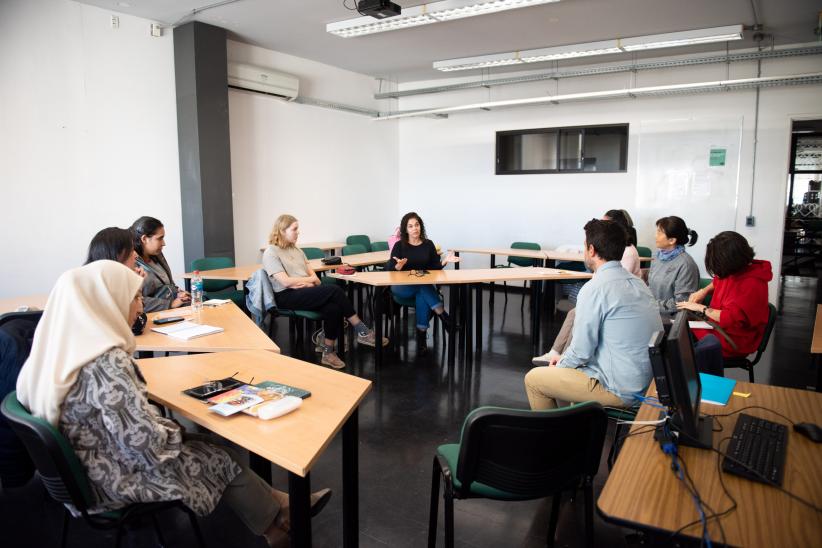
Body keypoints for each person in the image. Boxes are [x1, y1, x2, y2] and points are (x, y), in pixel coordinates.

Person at [14, 261, 330, 547]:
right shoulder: (106, 364)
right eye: (135, 298)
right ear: (108, 304)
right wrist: (178, 425)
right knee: (219, 455)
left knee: (209, 444)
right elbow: (149, 447)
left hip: (82, 469)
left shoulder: (52, 356)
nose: (141, 307)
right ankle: (279, 524)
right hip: (110, 478)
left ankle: (280, 513)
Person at [524, 219, 662, 409]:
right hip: (646, 382)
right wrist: (564, 361)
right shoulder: (638, 283)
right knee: (564, 370)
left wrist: (561, 364)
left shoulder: (595, 288)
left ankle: (552, 438)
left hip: (621, 390)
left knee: (535, 380)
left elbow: (581, 351)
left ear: (591, 250)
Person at [263, 214, 385, 370]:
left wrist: (304, 283)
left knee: (333, 308)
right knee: (334, 290)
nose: (298, 232)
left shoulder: (297, 250)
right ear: (282, 231)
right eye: (294, 229)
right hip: (285, 296)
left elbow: (316, 278)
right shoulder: (271, 252)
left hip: (303, 291)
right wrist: (306, 282)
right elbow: (285, 282)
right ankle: (362, 330)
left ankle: (328, 353)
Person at [532, 209, 640, 365]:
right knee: (574, 314)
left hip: (614, 302)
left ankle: (563, 359)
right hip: (608, 299)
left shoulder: (627, 254)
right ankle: (556, 353)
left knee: (579, 315)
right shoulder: (613, 265)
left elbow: (616, 285)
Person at [677, 231, 772, 365]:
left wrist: (700, 307)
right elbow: (718, 280)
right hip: (718, 328)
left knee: (680, 341)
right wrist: (703, 292)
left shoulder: (752, 284)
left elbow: (729, 318)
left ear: (731, 261)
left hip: (735, 340)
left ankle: (696, 378)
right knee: (678, 332)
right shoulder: (736, 270)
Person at [386, 212, 459, 353]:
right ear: (405, 229)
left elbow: (434, 268)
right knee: (424, 286)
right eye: (410, 226)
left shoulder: (428, 244)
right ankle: (444, 317)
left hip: (420, 288)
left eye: (417, 225)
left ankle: (421, 339)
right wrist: (397, 267)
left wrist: (444, 261)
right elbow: (388, 269)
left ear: (421, 226)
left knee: (422, 293)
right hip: (401, 288)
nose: (415, 228)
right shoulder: (399, 246)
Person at [85, 226, 148, 334]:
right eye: (132, 251)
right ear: (117, 256)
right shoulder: (102, 289)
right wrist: (135, 290)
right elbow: (137, 326)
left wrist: (136, 289)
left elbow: (138, 320)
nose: (136, 255)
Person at [130, 216, 190, 312]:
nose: (164, 243)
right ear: (144, 239)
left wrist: (178, 294)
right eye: (160, 238)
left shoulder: (157, 255)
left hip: (170, 312)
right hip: (155, 315)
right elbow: (134, 300)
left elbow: (168, 284)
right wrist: (170, 304)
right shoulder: (131, 263)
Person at [648, 216, 700, 316]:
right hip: (653, 314)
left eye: (659, 232)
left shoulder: (686, 264)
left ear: (672, 240)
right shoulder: (656, 256)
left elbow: (682, 303)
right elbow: (651, 288)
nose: (655, 236)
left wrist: (650, 305)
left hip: (672, 321)